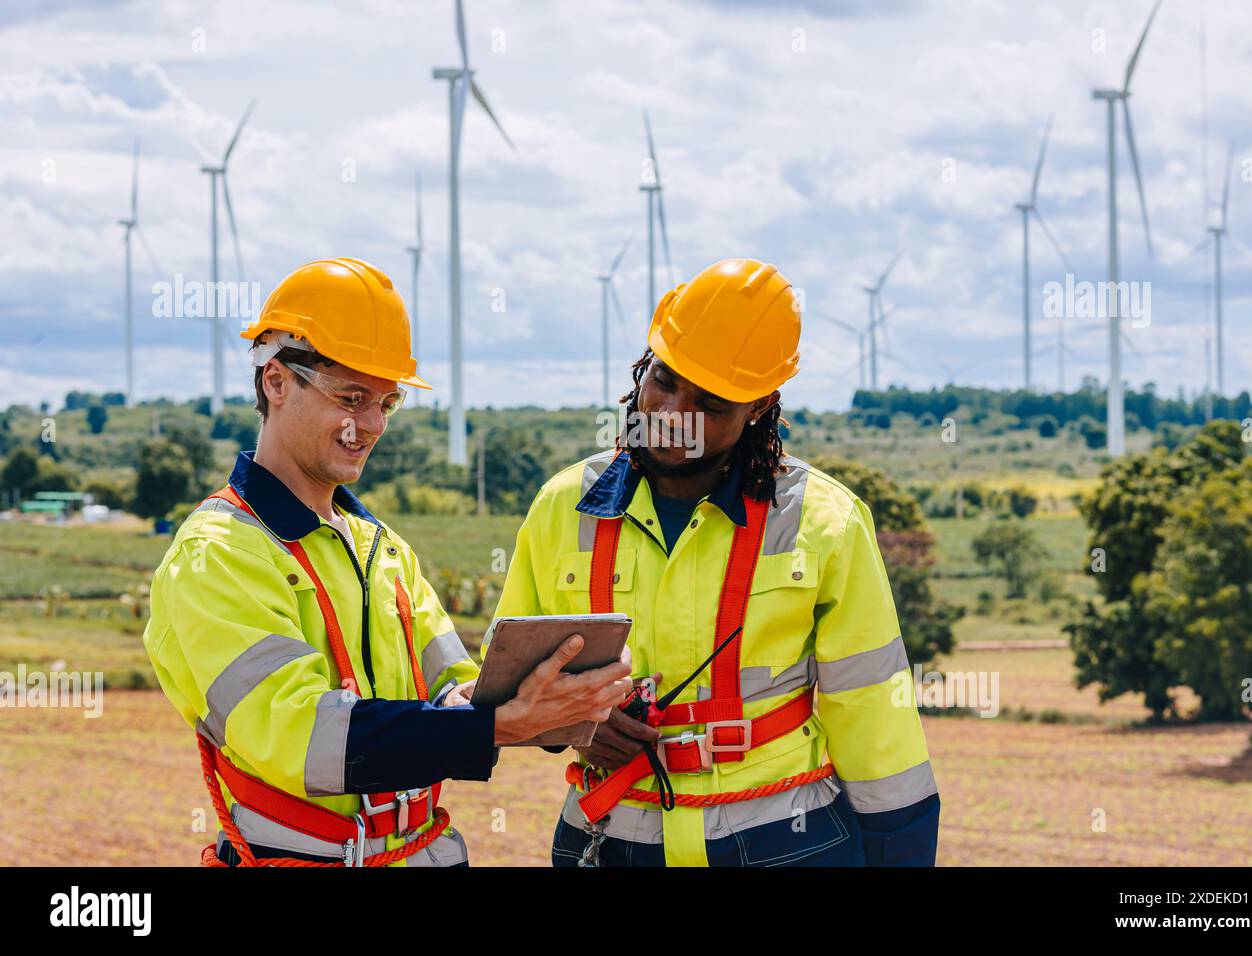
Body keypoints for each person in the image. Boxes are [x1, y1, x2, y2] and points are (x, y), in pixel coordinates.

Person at [142, 257, 631, 867]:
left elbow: (452, 691)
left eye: (387, 402)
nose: (370, 425)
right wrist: (493, 728)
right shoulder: (217, 555)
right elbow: (302, 738)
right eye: (352, 397)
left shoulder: (383, 548)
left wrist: (546, 698)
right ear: (275, 381)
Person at [492, 258, 941, 867]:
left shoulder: (824, 522)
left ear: (760, 406)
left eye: (712, 403)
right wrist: (576, 726)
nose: (677, 414)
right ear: (642, 368)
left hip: (786, 841)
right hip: (609, 837)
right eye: (666, 381)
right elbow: (505, 686)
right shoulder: (562, 508)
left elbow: (874, 715)